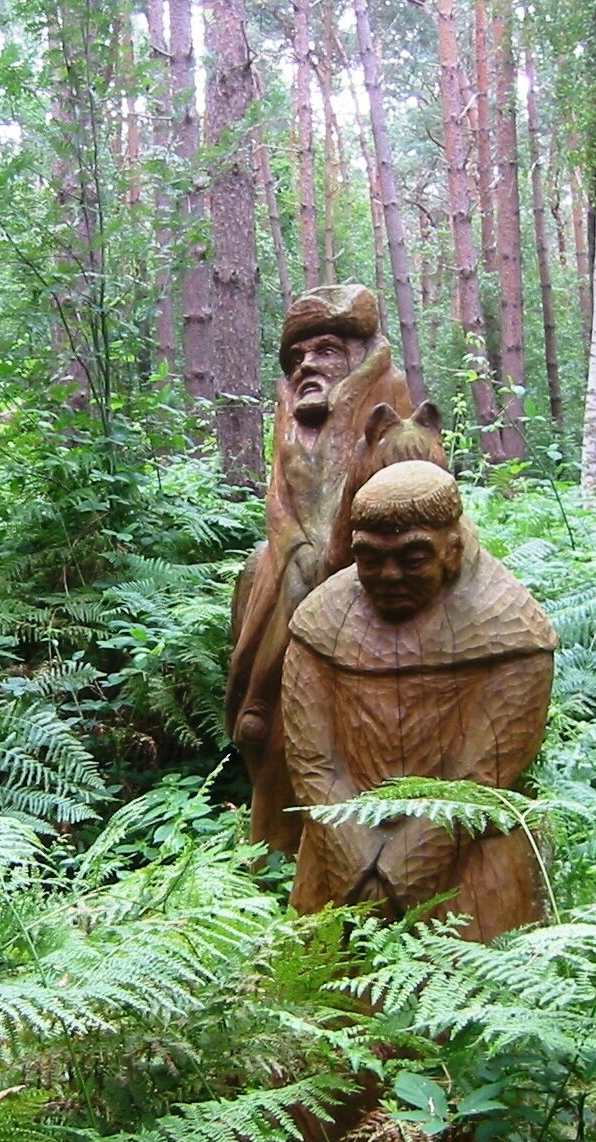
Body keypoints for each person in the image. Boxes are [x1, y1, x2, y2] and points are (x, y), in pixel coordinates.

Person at [282, 460, 556, 939]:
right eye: (370, 558)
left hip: (465, 854)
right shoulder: (319, 625)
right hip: (339, 844)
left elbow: (478, 776)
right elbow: (312, 762)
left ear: (451, 551)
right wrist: (351, 858)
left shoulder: (512, 630)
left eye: (411, 559)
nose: (389, 576)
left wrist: (404, 868)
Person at [226, 285, 416, 854]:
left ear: (360, 358)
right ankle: (277, 852)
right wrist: (292, 558)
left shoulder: (391, 404)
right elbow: (279, 506)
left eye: (326, 351)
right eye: (297, 358)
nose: (308, 365)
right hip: (287, 584)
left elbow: (403, 496)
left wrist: (336, 557)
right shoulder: (291, 421)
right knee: (256, 569)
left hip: (368, 589)